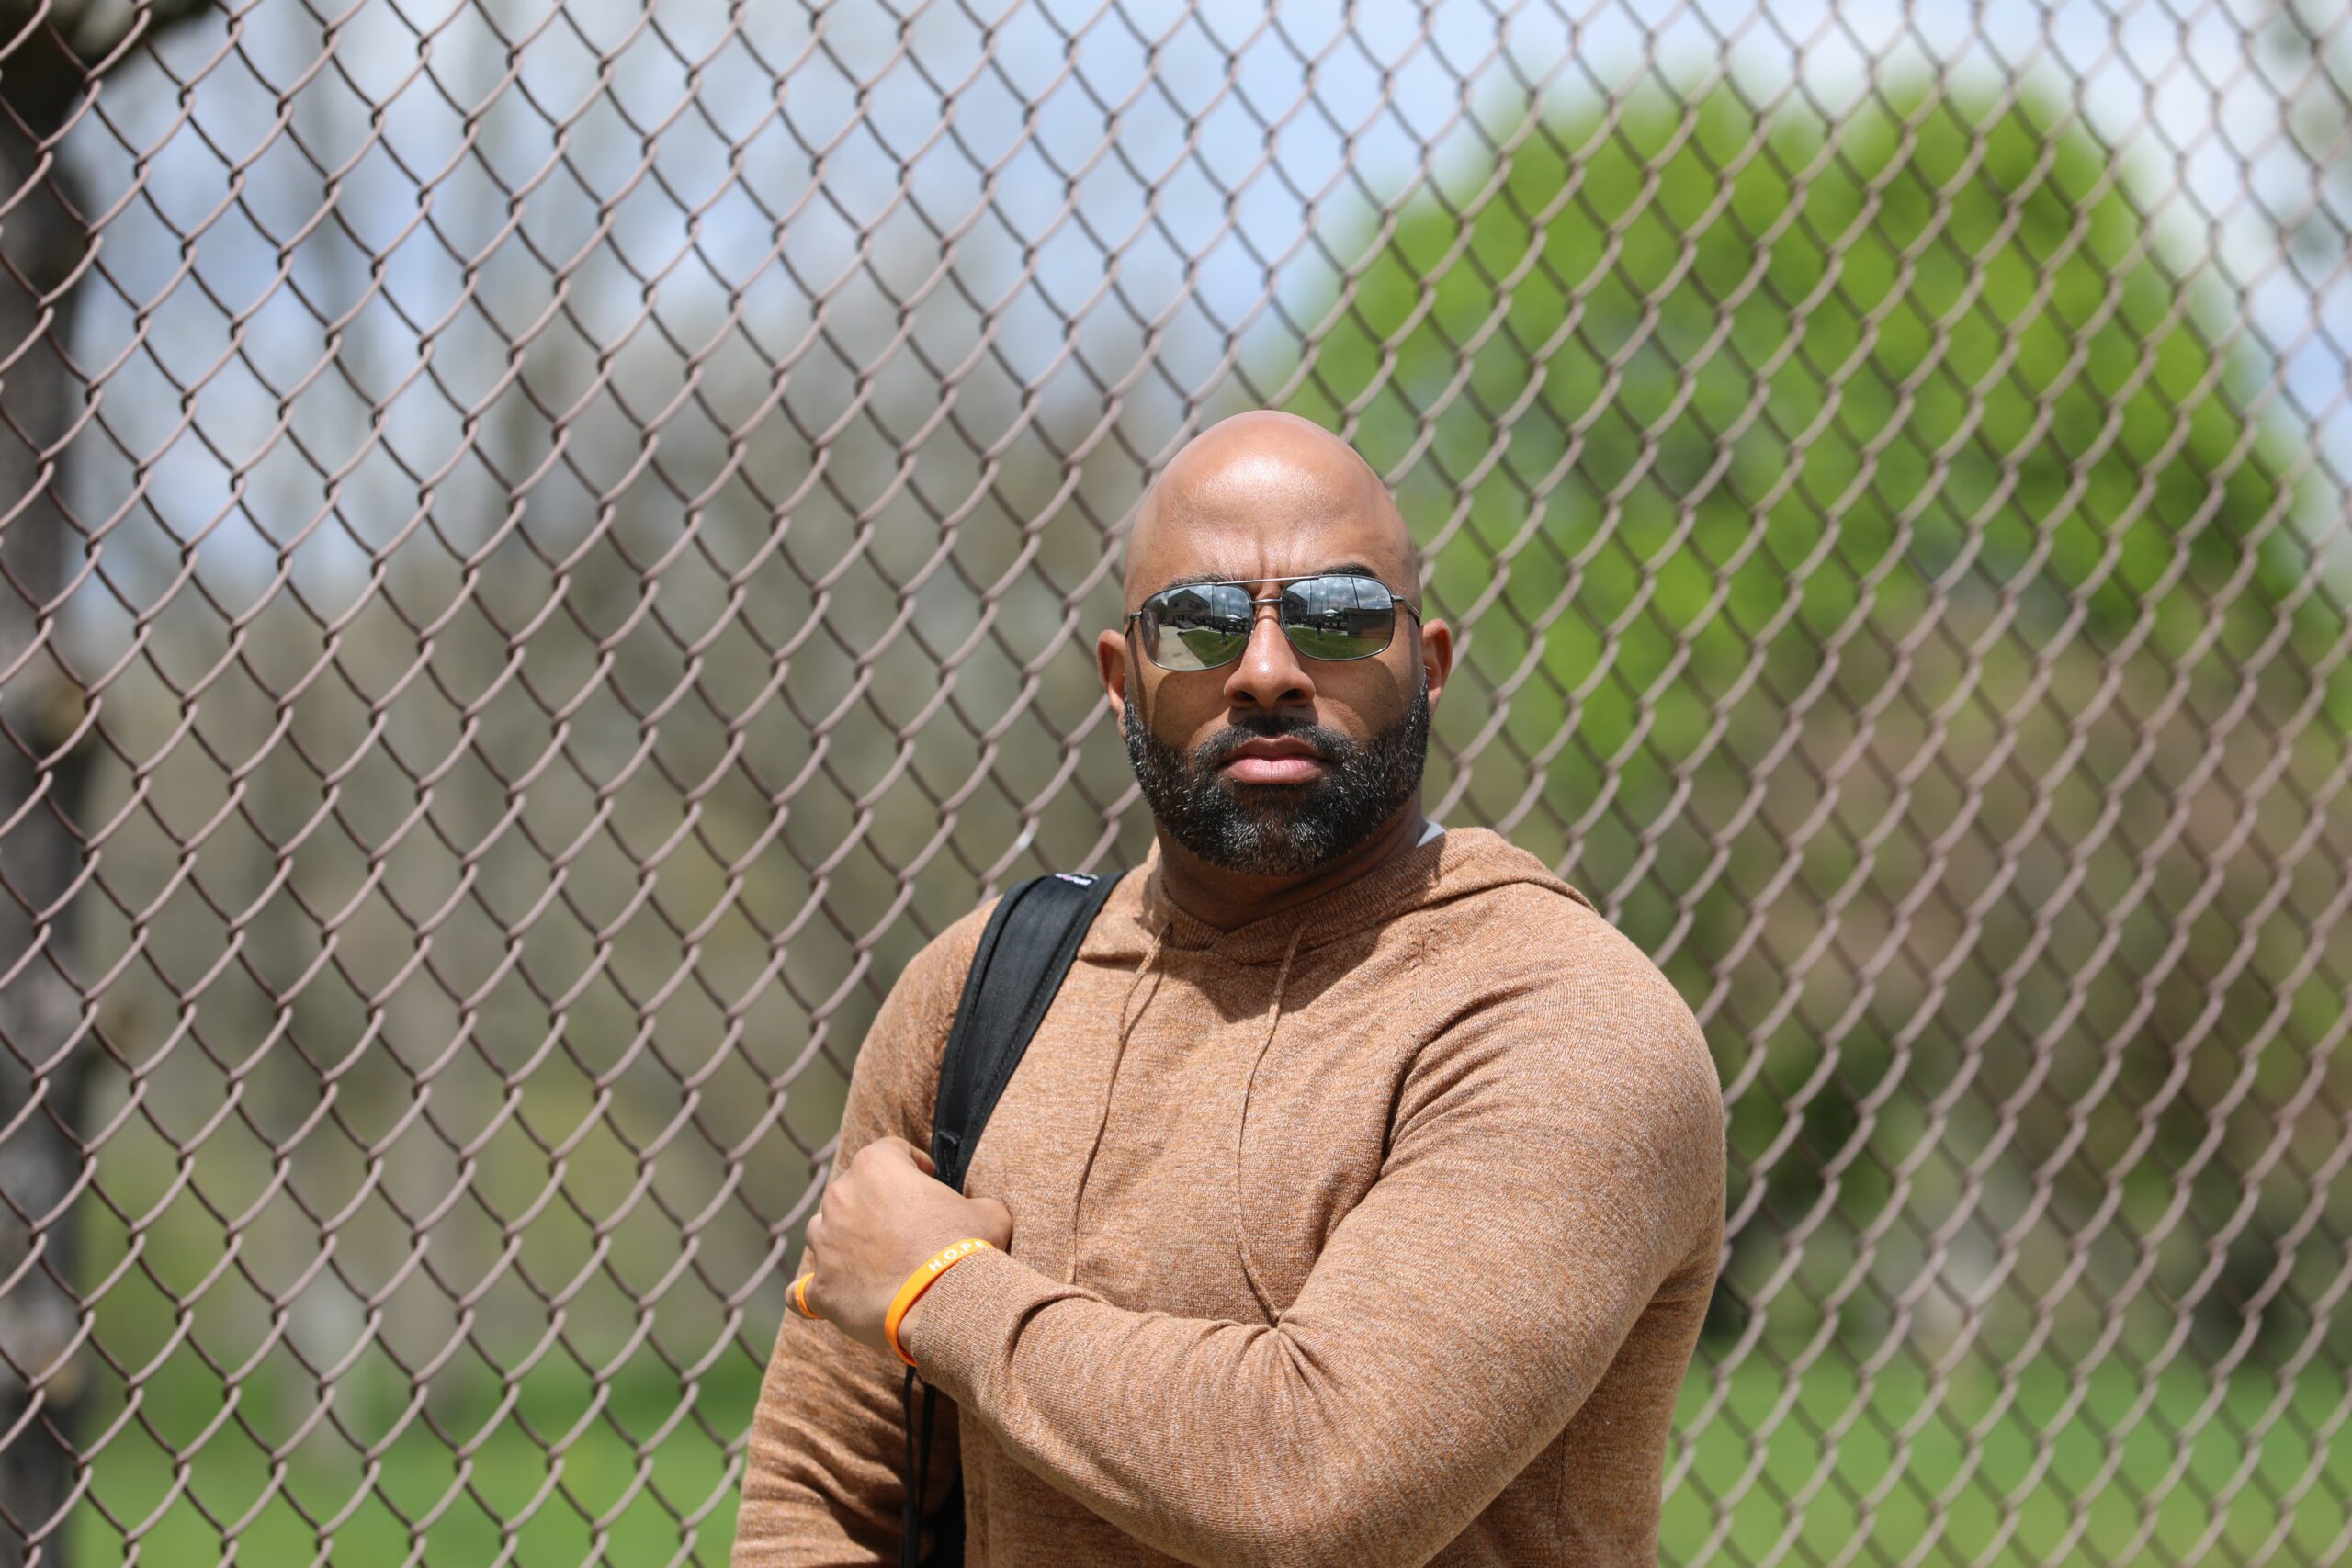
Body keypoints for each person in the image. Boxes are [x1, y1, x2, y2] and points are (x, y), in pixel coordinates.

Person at [731, 411, 1726, 1566]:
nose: (1265, 672)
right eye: (1198, 625)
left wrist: (938, 1294)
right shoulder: (983, 990)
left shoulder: (1561, 1023)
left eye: (1339, 617)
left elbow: (1318, 1486)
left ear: (1432, 665)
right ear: (1121, 679)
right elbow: (818, 1497)